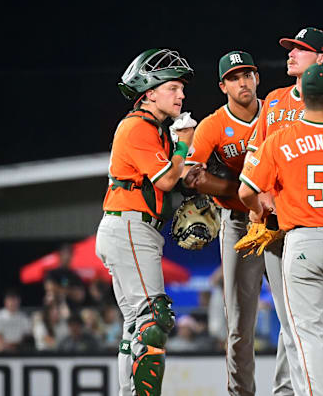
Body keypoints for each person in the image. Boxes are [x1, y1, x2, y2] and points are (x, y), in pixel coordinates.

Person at [244, 26, 323, 396]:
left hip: (305, 225)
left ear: (321, 59)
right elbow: (255, 155)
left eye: (300, 49)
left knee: (310, 329)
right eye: (290, 48)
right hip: (278, 225)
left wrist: (295, 181)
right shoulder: (273, 100)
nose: (290, 54)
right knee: (296, 325)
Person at [95, 48, 195, 396]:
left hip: (130, 229)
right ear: (150, 91)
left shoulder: (154, 128)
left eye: (181, 88)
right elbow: (166, 180)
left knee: (137, 324)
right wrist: (184, 144)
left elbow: (173, 177)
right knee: (154, 319)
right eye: (173, 87)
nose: (181, 94)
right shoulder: (138, 126)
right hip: (130, 229)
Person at [180, 50, 266, 396]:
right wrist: (240, 190)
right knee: (239, 324)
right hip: (238, 221)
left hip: (278, 220)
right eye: (234, 77)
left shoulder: (276, 112)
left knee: (294, 318)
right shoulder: (214, 124)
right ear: (222, 86)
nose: (242, 82)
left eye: (247, 74)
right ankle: (240, 393)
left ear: (257, 77)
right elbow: (188, 174)